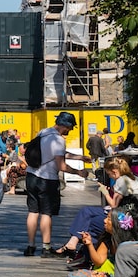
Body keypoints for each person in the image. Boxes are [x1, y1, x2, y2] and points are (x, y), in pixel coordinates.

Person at [24, 111, 90, 258]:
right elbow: (61, 165)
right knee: (46, 213)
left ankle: (30, 246)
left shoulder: (43, 132)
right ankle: (46, 248)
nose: (70, 131)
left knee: (33, 212)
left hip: (31, 176)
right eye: (70, 127)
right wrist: (78, 172)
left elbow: (55, 153)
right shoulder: (59, 140)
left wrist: (79, 157)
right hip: (47, 180)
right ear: (65, 126)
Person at [54, 158, 138, 258]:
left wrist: (105, 192)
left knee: (92, 222)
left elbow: (114, 205)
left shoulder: (121, 181)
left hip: (123, 218)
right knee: (86, 211)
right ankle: (72, 243)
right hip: (136, 216)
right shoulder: (135, 178)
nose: (109, 177)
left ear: (114, 172)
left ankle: (89, 254)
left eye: (109, 174)